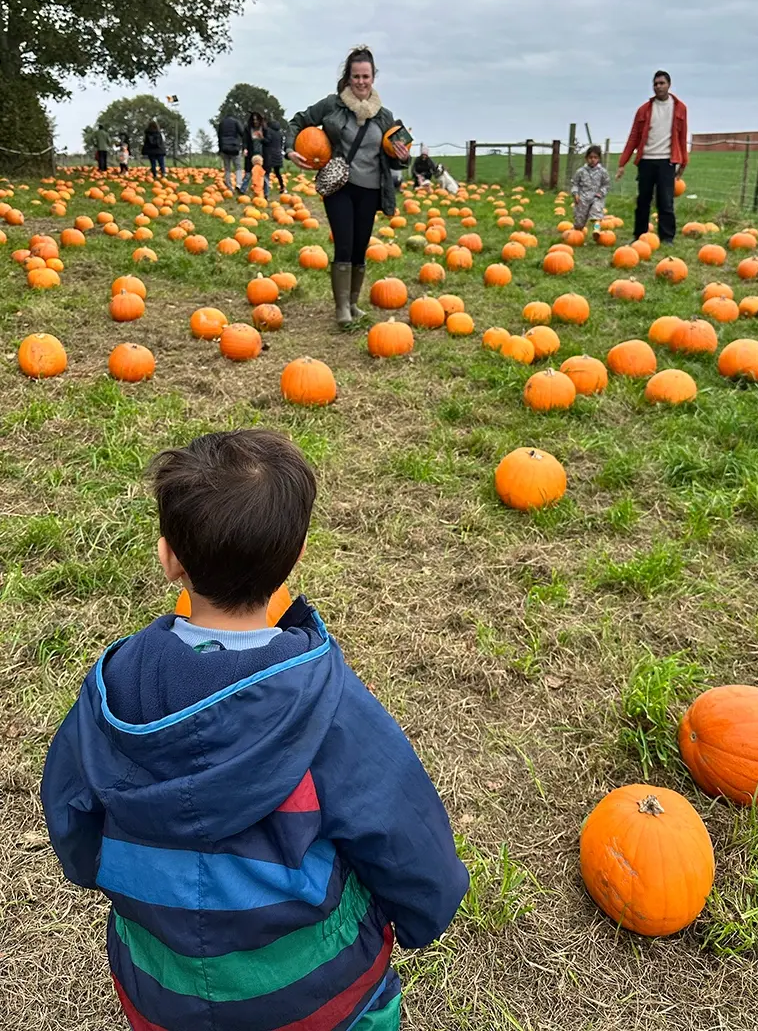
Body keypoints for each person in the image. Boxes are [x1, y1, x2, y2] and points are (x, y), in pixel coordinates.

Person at [41, 428, 468, 1031]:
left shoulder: (110, 694)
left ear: (169, 559)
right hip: (321, 999)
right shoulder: (326, 702)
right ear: (293, 560)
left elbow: (70, 811)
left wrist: (103, 875)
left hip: (161, 993)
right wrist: (426, 913)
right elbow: (402, 828)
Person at [286, 46, 410, 325]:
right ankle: (341, 308)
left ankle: (354, 303)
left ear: (373, 77)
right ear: (348, 78)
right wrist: (290, 149)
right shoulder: (333, 105)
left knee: (360, 246)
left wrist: (403, 158)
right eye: (356, 77)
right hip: (339, 185)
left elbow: (394, 154)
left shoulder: (384, 116)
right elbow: (298, 121)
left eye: (366, 76)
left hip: (371, 190)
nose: (361, 82)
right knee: (344, 243)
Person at [616, 70, 688, 244]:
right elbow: (634, 137)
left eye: (662, 83)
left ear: (669, 85)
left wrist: (684, 161)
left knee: (666, 201)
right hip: (646, 160)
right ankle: (639, 235)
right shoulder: (644, 110)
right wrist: (622, 163)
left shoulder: (680, 108)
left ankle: (667, 237)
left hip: (667, 160)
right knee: (643, 200)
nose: (658, 87)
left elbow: (682, 136)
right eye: (655, 84)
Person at [571, 145, 611, 232]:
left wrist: (601, 193)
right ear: (586, 158)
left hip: (596, 197)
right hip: (583, 198)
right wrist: (575, 193)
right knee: (579, 221)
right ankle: (577, 233)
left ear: (599, 159)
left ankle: (596, 230)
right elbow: (575, 184)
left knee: (596, 215)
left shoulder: (603, 172)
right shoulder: (581, 171)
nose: (593, 160)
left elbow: (606, 185)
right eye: (590, 157)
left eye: (595, 157)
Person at [217, 110, 245, 192]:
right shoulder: (236, 122)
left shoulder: (222, 123)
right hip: (234, 147)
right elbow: (242, 133)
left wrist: (220, 148)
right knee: (238, 167)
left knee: (227, 168)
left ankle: (229, 187)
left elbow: (219, 136)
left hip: (224, 148)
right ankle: (239, 184)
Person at [241, 110, 266, 195]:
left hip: (261, 153)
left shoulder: (264, 129)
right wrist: (244, 148)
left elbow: (268, 141)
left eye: (257, 119)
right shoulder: (248, 129)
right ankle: (243, 189)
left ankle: (259, 190)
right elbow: (244, 140)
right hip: (251, 153)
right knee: (248, 172)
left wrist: (262, 137)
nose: (255, 121)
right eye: (253, 119)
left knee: (260, 172)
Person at [266, 117, 286, 194]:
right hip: (278, 154)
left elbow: (267, 142)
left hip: (270, 154)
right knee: (277, 173)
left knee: (266, 172)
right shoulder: (280, 133)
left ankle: (265, 188)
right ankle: (282, 187)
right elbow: (281, 144)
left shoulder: (269, 132)